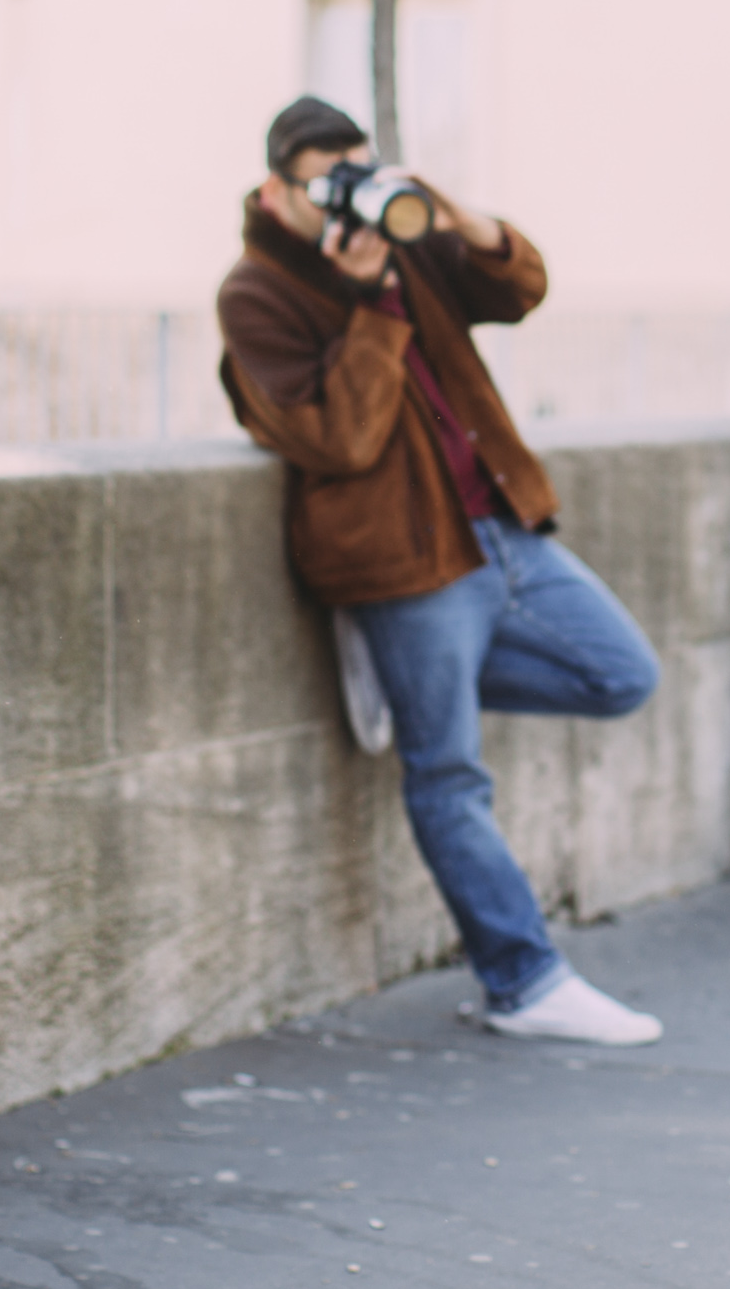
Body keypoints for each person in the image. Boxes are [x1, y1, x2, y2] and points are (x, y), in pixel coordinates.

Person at [216, 99, 663, 1045]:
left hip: (504, 532)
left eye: (357, 171)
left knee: (624, 674)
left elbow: (520, 288)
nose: (344, 196)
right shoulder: (254, 294)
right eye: (322, 181)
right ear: (275, 188)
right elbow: (341, 437)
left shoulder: (406, 244)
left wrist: (455, 217)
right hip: (406, 566)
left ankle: (420, 679)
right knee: (448, 775)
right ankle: (525, 982)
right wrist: (371, 303)